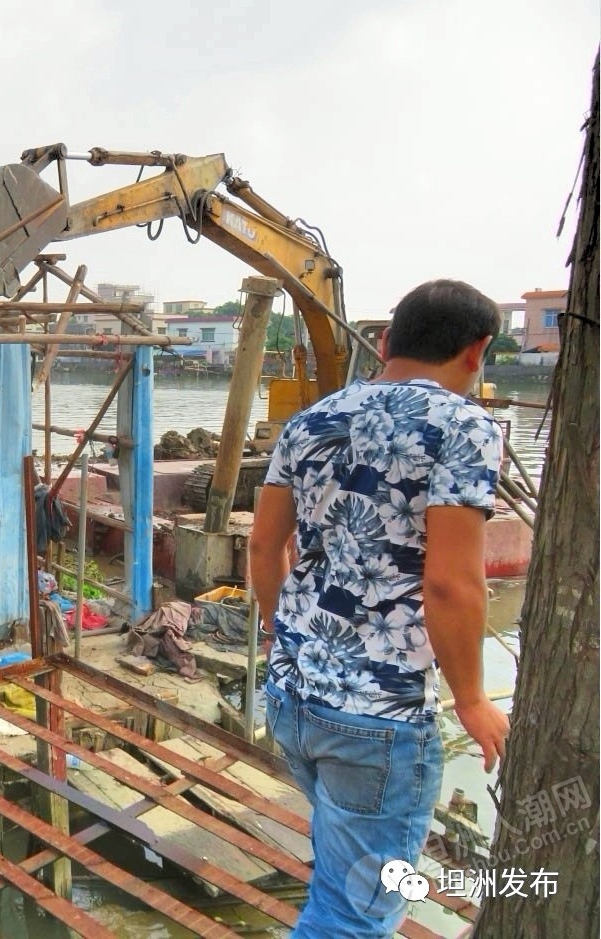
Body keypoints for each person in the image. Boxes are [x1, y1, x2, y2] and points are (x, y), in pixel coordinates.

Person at [249, 279, 510, 937]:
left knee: (339, 883)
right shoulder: (463, 425)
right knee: (353, 918)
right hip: (377, 720)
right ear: (476, 351)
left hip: (290, 698)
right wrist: (474, 699)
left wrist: (284, 635)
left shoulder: (307, 420)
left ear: (387, 341)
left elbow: (261, 544)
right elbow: (450, 582)